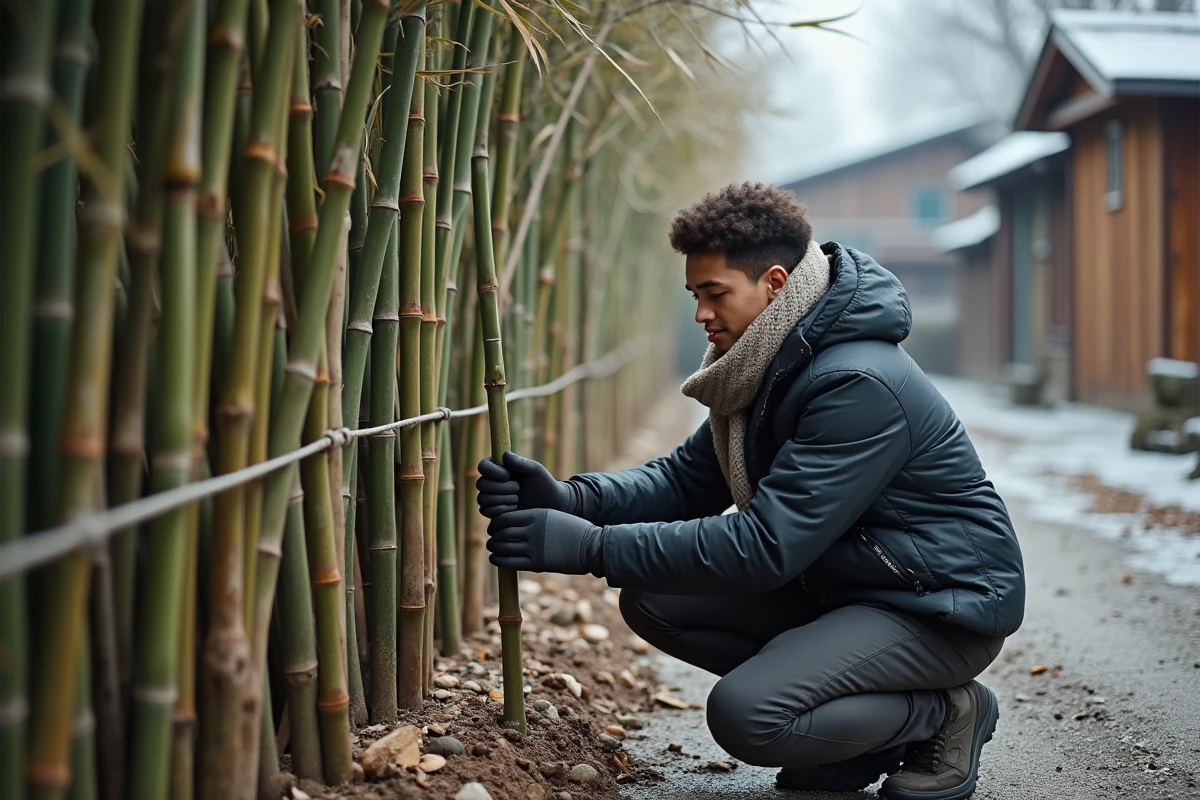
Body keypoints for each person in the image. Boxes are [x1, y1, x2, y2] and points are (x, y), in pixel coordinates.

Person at [475, 182, 1025, 800]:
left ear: (775, 283)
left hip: (936, 606)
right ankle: (854, 739)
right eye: (695, 296)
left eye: (716, 294)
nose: (701, 314)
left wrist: (591, 548)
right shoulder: (767, 363)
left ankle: (945, 712)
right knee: (657, 599)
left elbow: (766, 545)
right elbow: (686, 480)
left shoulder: (856, 383)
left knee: (749, 715)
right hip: (844, 589)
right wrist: (572, 499)